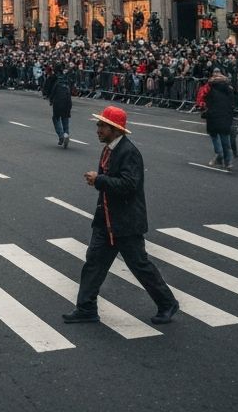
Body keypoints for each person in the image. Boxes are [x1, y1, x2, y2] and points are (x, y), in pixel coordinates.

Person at [62, 105, 179, 326]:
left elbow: (129, 185)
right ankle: (86, 308)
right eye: (98, 124)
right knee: (94, 264)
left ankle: (167, 303)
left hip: (125, 223)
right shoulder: (109, 148)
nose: (97, 129)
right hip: (106, 221)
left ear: (115, 129)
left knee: (139, 265)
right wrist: (100, 183)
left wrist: (99, 180)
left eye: (102, 126)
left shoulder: (129, 152)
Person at [203, 73, 236, 169]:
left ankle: (219, 154)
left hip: (214, 116)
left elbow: (207, 103)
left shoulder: (211, 90)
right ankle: (228, 162)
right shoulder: (229, 90)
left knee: (214, 136)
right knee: (225, 140)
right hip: (226, 116)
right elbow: (232, 104)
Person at [44, 68, 73, 147]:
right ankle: (66, 133)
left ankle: (61, 136)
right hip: (67, 103)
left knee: (56, 118)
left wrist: (50, 100)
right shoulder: (67, 82)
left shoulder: (57, 82)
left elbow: (53, 92)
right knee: (65, 119)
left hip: (58, 103)